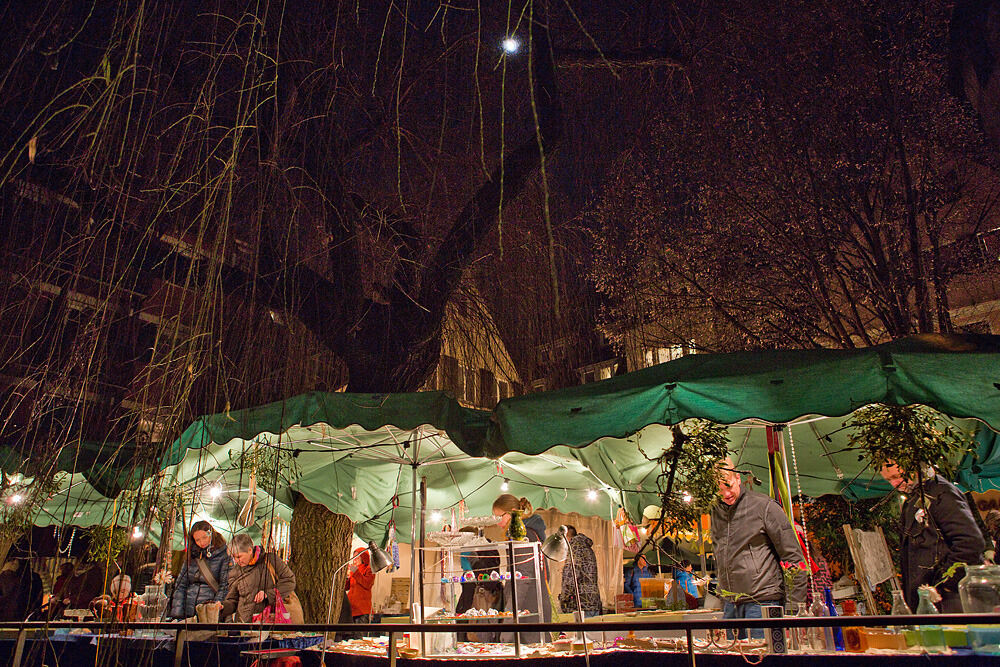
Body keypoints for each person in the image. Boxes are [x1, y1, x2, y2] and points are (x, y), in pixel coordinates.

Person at [712, 458, 806, 639]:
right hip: (731, 606)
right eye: (719, 490)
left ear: (737, 478)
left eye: (728, 486)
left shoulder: (764, 506)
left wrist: (794, 610)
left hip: (763, 602)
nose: (725, 494)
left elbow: (793, 558)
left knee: (764, 659)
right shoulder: (716, 512)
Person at [880, 460, 986, 613]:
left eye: (897, 476)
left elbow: (970, 543)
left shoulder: (941, 493)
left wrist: (941, 586)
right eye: (889, 479)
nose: (895, 483)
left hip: (948, 602)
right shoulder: (914, 500)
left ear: (917, 467)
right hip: (929, 603)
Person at [492, 494, 553, 643]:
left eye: (500, 517)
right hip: (535, 604)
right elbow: (545, 572)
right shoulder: (533, 533)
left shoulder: (522, 536)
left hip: (527, 610)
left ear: (513, 512)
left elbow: (522, 577)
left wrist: (510, 614)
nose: (499, 523)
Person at [221, 534, 301, 623]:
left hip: (272, 621)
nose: (236, 561)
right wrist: (222, 607)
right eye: (233, 557)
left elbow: (289, 581)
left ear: (250, 550)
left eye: (239, 556)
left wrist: (268, 594)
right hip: (244, 623)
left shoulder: (270, 560)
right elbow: (233, 600)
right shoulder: (235, 572)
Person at [169, 521, 230, 620]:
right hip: (188, 611)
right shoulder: (192, 556)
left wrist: (213, 611)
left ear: (211, 534)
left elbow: (224, 586)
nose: (202, 542)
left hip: (209, 611)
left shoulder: (224, 555)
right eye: (197, 540)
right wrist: (177, 613)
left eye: (204, 538)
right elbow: (181, 585)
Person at [558, 525, 602, 617]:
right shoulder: (586, 547)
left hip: (580, 605)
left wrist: (563, 598)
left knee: (581, 631)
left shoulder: (575, 548)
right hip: (592, 602)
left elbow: (571, 577)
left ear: (565, 537)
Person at [347, 546, 375, 622]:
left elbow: (367, 584)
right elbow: (347, 587)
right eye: (353, 558)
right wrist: (346, 577)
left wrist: (355, 572)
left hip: (362, 610)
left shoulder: (369, 569)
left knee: (360, 633)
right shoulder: (354, 570)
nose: (354, 560)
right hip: (351, 609)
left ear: (363, 558)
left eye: (357, 557)